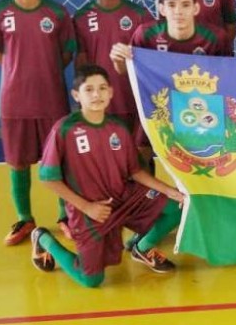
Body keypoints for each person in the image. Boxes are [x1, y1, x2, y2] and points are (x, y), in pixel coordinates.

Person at [31, 64, 185, 287]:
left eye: (102, 88)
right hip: (91, 211)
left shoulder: (118, 128)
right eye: (89, 89)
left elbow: (135, 171)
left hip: (124, 198)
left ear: (111, 92)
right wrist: (86, 207)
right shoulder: (64, 129)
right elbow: (48, 178)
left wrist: (171, 191)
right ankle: (43, 238)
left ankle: (141, 249)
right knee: (91, 280)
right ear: (76, 95)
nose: (96, 94)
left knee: (176, 207)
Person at [0, 0, 76, 245]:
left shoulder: (57, 13)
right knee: (17, 163)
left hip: (52, 99)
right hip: (14, 102)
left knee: (60, 161)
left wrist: (44, 73)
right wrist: (19, 73)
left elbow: (66, 53)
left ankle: (66, 216)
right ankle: (25, 218)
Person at [74, 0, 154, 194]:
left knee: (141, 153)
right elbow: (81, 61)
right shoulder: (81, 18)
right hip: (102, 103)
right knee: (107, 156)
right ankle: (114, 201)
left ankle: (148, 203)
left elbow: (150, 59)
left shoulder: (139, 15)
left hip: (134, 99)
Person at [110, 0, 229, 75]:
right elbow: (126, 70)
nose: (178, 11)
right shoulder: (145, 34)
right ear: (162, 9)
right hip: (160, 100)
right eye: (171, 5)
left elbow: (226, 74)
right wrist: (118, 60)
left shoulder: (216, 38)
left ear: (195, 8)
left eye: (185, 5)